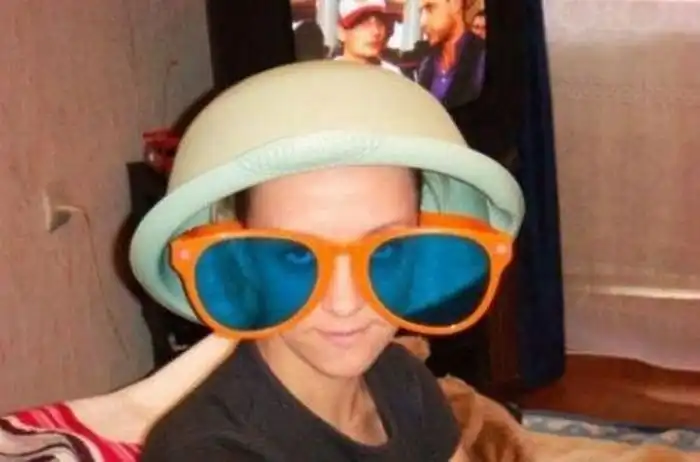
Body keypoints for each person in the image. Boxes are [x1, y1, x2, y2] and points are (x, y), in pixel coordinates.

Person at [131, 61, 524, 461]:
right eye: (298, 254)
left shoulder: (404, 380)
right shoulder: (206, 452)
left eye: (385, 249)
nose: (345, 303)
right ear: (241, 261)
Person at [417, 0, 486, 107]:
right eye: (421, 12)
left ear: (455, 4)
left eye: (430, 8)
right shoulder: (425, 60)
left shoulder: (482, 57)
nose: (422, 22)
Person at [335, 0, 402, 74]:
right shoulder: (330, 75)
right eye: (364, 24)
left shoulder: (392, 75)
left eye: (381, 23)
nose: (376, 31)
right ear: (341, 32)